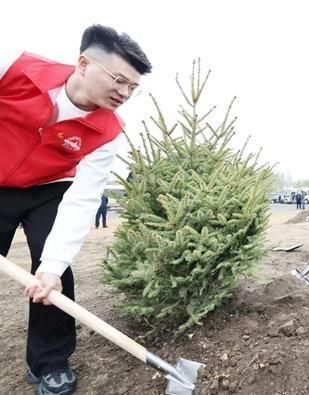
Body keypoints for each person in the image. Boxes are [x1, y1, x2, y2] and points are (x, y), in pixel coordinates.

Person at [0, 25, 151, 394]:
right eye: (119, 80)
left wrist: (51, 267)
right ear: (83, 64)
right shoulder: (16, 69)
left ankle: (50, 361)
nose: (125, 93)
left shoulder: (108, 131)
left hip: (50, 190)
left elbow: (84, 197)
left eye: (133, 87)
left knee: (55, 273)